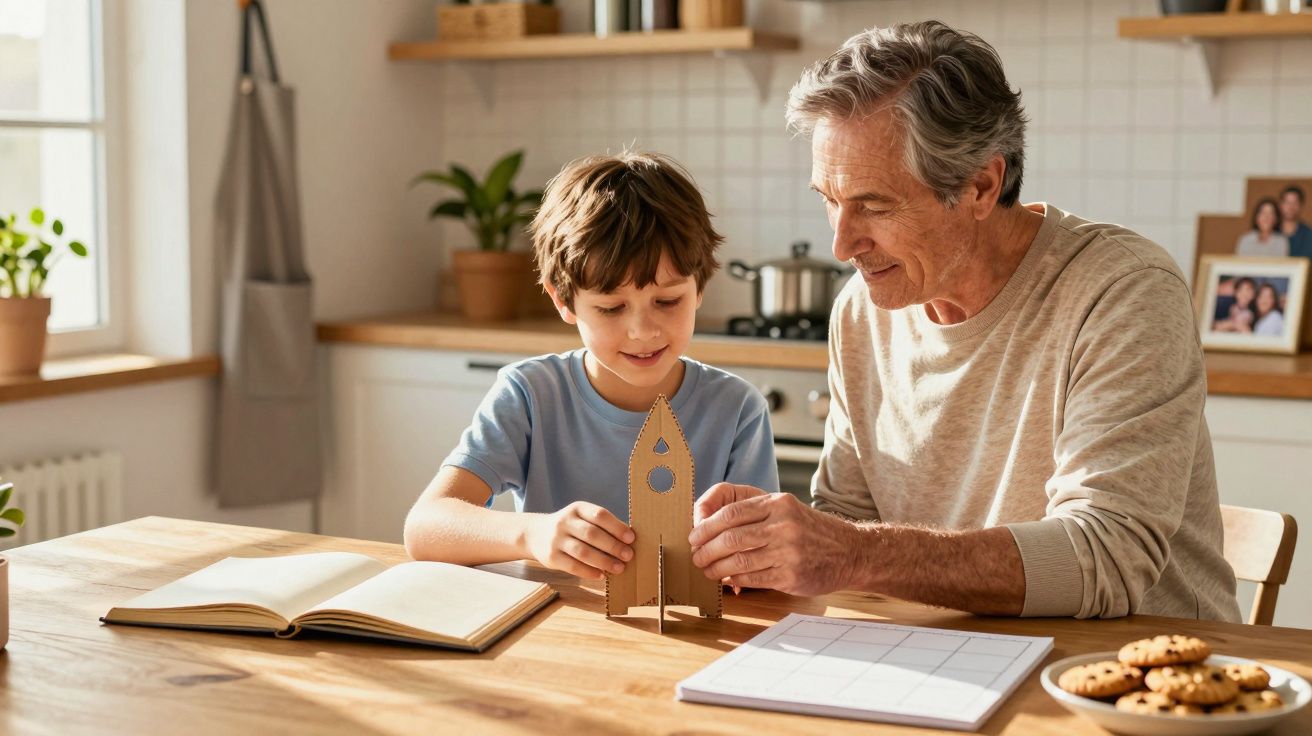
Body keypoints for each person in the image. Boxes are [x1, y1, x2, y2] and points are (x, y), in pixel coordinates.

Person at [687, 21, 1241, 622]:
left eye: (873, 205)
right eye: (829, 199)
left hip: (1146, 678)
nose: (842, 244)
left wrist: (847, 552)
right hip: (949, 658)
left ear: (981, 185)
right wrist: (772, 547)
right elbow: (848, 517)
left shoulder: (1122, 293)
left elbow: (1106, 560)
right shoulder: (861, 309)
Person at [403, 152, 779, 580]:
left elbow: (762, 560)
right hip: (561, 631)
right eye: (611, 307)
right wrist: (532, 533)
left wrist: (748, 560)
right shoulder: (530, 394)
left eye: (667, 301)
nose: (643, 331)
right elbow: (425, 527)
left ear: (699, 288)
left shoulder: (737, 409)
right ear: (563, 301)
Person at [1278, 185, 1312, 260]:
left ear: (1301, 206)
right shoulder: (1272, 231)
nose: (1290, 207)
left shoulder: (1308, 234)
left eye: (1295, 203)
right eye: (1287, 202)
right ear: (1280, 205)